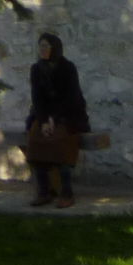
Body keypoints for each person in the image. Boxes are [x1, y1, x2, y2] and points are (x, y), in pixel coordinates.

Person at [24, 32, 87, 209]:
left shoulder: (67, 67)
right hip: (44, 115)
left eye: (46, 46)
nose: (43, 50)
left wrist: (55, 118)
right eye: (41, 46)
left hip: (69, 115)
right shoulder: (36, 69)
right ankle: (44, 191)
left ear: (55, 48)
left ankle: (67, 193)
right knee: (36, 140)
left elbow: (71, 97)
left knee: (61, 144)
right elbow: (37, 97)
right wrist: (44, 120)